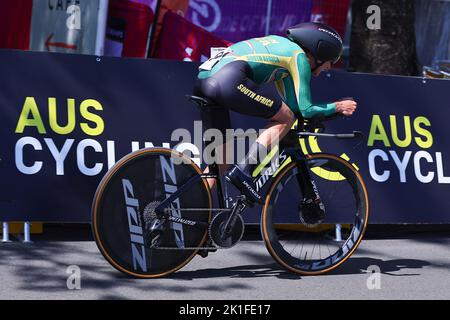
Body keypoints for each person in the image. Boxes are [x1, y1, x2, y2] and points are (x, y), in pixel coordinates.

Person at [193, 22, 357, 203]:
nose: (329, 67)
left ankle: (191, 214)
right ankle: (244, 171)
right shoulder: (298, 56)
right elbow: (306, 109)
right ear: (320, 52)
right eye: (330, 61)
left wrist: (314, 114)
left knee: (220, 162)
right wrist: (339, 107)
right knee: (286, 117)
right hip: (229, 79)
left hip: (203, 80)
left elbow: (294, 105)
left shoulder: (282, 48)